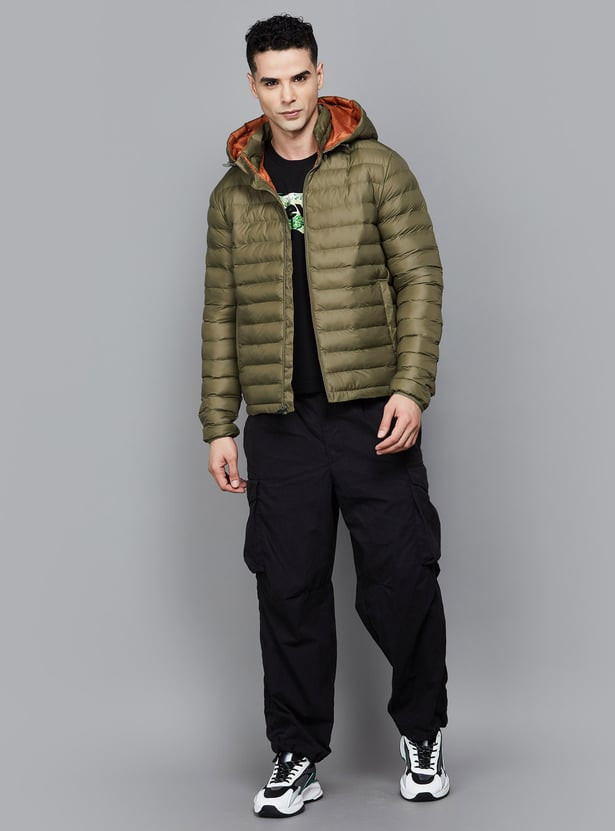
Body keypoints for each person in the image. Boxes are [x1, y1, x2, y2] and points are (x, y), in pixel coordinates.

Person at [199, 13, 449, 818]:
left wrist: (410, 386)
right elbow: (221, 313)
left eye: (299, 77)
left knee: (401, 578)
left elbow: (420, 278)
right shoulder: (234, 193)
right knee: (289, 589)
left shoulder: (376, 168)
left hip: (372, 413)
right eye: (271, 81)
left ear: (319, 75)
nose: (287, 97)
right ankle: (297, 752)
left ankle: (422, 732)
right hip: (280, 424)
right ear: (253, 85)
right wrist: (218, 423)